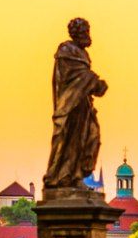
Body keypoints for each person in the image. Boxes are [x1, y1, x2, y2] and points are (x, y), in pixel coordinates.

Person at [44, 18, 109, 190]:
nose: (88, 35)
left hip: (83, 107)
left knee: (90, 137)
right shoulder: (66, 50)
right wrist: (94, 82)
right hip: (69, 106)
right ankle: (60, 177)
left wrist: (93, 84)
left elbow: (82, 77)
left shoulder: (82, 54)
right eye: (85, 32)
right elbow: (72, 77)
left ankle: (76, 175)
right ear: (78, 33)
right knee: (67, 141)